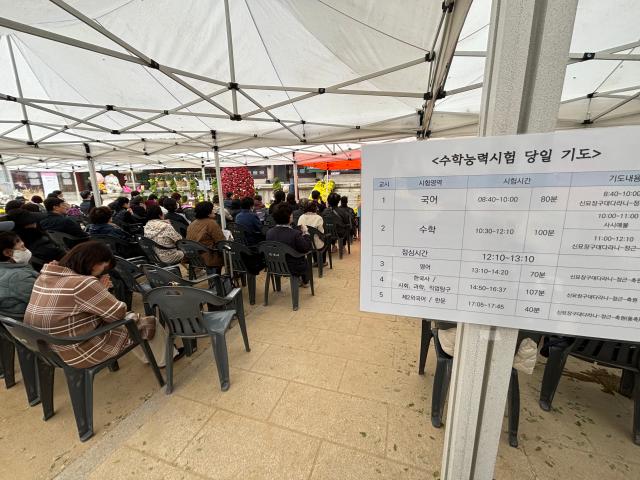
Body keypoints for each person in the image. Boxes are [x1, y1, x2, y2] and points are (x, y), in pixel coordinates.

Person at [24, 241, 174, 368]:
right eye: (104, 267)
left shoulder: (45, 276)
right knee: (145, 321)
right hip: (78, 351)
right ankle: (165, 360)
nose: (103, 272)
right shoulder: (83, 283)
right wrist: (102, 290)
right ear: (94, 264)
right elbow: (118, 314)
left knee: (130, 321)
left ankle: (150, 357)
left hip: (49, 349)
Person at [266, 203, 312, 287]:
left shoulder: (269, 232)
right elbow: (306, 248)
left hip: (274, 265)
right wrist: (306, 232)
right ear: (289, 217)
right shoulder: (295, 234)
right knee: (303, 258)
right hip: (293, 268)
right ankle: (305, 282)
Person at [0, 231, 38, 316]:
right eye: (22, 247)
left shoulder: (9, 269)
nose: (26, 250)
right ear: (8, 253)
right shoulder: (17, 277)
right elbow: (45, 298)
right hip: (32, 318)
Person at [186, 201, 225, 273]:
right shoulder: (211, 223)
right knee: (232, 254)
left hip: (194, 257)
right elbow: (221, 241)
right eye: (212, 209)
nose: (214, 211)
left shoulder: (192, 224)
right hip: (209, 257)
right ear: (208, 212)